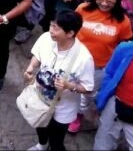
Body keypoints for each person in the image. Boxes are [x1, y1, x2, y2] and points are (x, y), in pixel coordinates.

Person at [69, 0, 133, 134]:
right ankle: (73, 114)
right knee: (71, 90)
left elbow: (126, 46)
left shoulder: (122, 21)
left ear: (118, 0)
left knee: (88, 93)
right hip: (75, 61)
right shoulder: (82, 9)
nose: (104, 3)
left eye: (110, 1)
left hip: (100, 67)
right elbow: (70, 31)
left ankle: (84, 113)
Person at [23, 10, 95, 151]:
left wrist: (69, 85)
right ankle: (42, 145)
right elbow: (37, 55)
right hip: (41, 99)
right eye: (51, 25)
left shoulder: (84, 58)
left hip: (64, 107)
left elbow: (88, 88)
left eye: (56, 28)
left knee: (56, 140)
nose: (51, 31)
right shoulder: (45, 38)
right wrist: (31, 68)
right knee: (40, 124)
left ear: (70, 33)